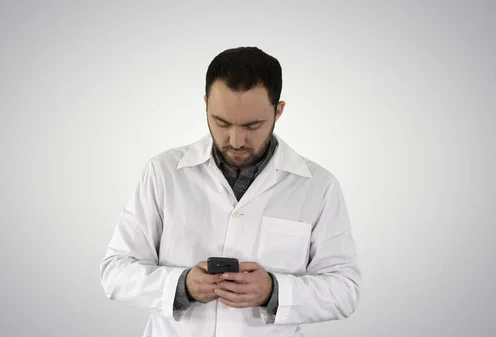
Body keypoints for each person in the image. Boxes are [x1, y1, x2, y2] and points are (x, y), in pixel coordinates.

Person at [100, 46, 361, 337]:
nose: (236, 141)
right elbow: (116, 271)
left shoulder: (318, 186)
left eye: (253, 125)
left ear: (279, 110)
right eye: (221, 122)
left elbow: (344, 290)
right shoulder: (163, 173)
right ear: (205, 104)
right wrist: (181, 285)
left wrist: (274, 291)